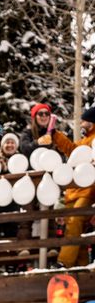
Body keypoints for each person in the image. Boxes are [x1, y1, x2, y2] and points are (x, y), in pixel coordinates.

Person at [51, 106, 95, 268]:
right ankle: (80, 264)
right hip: (74, 189)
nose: (82, 124)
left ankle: (65, 261)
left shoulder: (94, 140)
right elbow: (71, 151)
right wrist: (55, 135)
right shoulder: (84, 142)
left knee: (76, 220)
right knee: (74, 225)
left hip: (88, 190)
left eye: (85, 121)